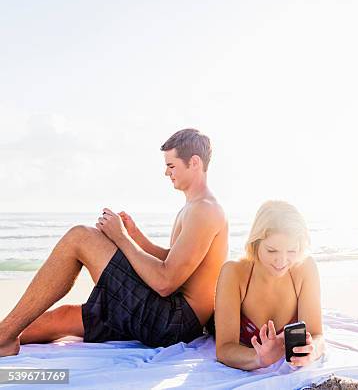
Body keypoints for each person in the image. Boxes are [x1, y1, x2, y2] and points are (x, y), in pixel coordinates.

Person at [0, 128, 228, 357]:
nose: (166, 173)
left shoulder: (204, 210)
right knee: (61, 317)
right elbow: (174, 261)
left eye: (171, 166)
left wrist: (121, 237)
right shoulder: (195, 206)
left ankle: (3, 337)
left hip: (172, 322)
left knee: (80, 237)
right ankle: (6, 335)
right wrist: (135, 236)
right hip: (168, 316)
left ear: (195, 162)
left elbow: (165, 281)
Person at [214, 200, 325, 370]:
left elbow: (317, 336)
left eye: (291, 251)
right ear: (255, 243)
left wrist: (312, 350)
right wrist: (258, 359)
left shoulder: (304, 268)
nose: (281, 261)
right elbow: (224, 349)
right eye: (272, 251)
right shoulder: (234, 273)